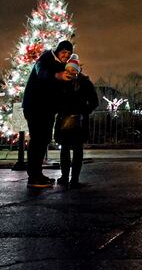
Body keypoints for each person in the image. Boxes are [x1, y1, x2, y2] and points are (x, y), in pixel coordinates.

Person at [22, 39, 76, 188]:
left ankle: (38, 174)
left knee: (44, 139)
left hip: (48, 109)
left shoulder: (62, 66)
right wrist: (57, 76)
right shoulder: (46, 57)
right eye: (64, 51)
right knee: (37, 140)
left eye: (69, 53)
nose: (66, 55)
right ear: (58, 51)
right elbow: (41, 73)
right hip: (35, 106)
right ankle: (33, 177)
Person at [54, 53, 99, 188]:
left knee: (75, 150)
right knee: (66, 149)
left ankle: (73, 179)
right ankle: (65, 177)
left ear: (78, 71)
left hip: (77, 120)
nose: (70, 72)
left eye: (73, 69)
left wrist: (83, 110)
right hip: (65, 119)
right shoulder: (61, 82)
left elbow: (94, 102)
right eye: (68, 69)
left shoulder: (84, 83)